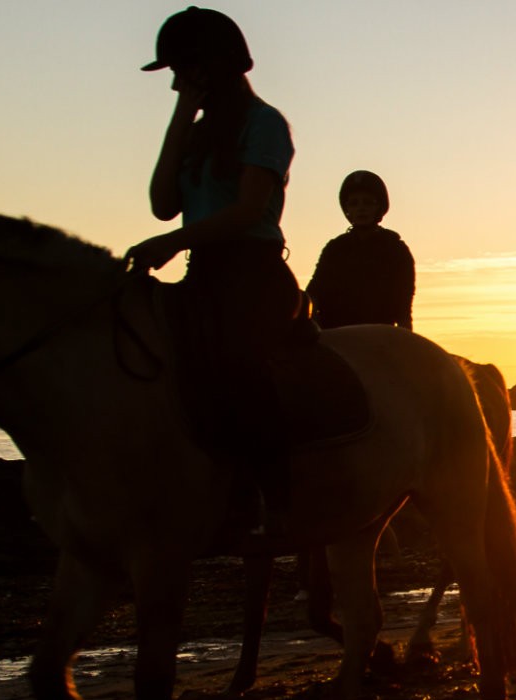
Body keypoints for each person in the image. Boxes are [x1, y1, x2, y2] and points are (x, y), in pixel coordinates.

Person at [124, 6, 300, 519]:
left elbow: (247, 211)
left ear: (207, 68)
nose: (176, 82)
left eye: (180, 71)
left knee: (238, 362)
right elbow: (161, 202)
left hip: (253, 274)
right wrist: (180, 119)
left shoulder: (265, 124)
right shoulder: (197, 133)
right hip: (203, 272)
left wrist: (171, 243)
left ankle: (274, 495)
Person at [305, 170, 416, 330]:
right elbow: (313, 293)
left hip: (379, 339)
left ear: (379, 207)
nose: (361, 208)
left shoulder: (395, 249)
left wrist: (404, 344)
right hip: (335, 337)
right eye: (354, 203)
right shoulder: (334, 249)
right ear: (347, 209)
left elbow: (404, 306)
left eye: (368, 203)